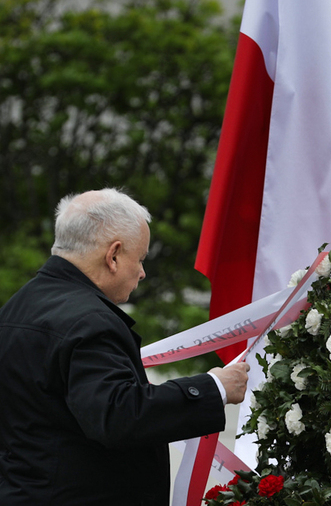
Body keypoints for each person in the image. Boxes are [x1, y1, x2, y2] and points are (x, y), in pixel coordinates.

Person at [0, 188, 250, 505]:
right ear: (114, 255)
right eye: (141, 258)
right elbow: (118, 415)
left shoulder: (16, 307)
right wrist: (214, 387)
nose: (142, 272)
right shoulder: (90, 321)